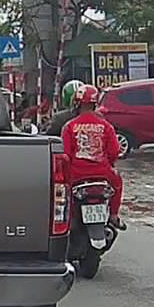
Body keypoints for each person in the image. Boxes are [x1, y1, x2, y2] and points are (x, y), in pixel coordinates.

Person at [61, 84, 124, 228]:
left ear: (77, 103)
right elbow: (114, 152)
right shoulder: (106, 126)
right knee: (118, 182)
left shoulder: (69, 126)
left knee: (63, 189)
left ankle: (66, 219)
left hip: (76, 175)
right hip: (104, 174)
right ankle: (114, 216)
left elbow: (66, 155)